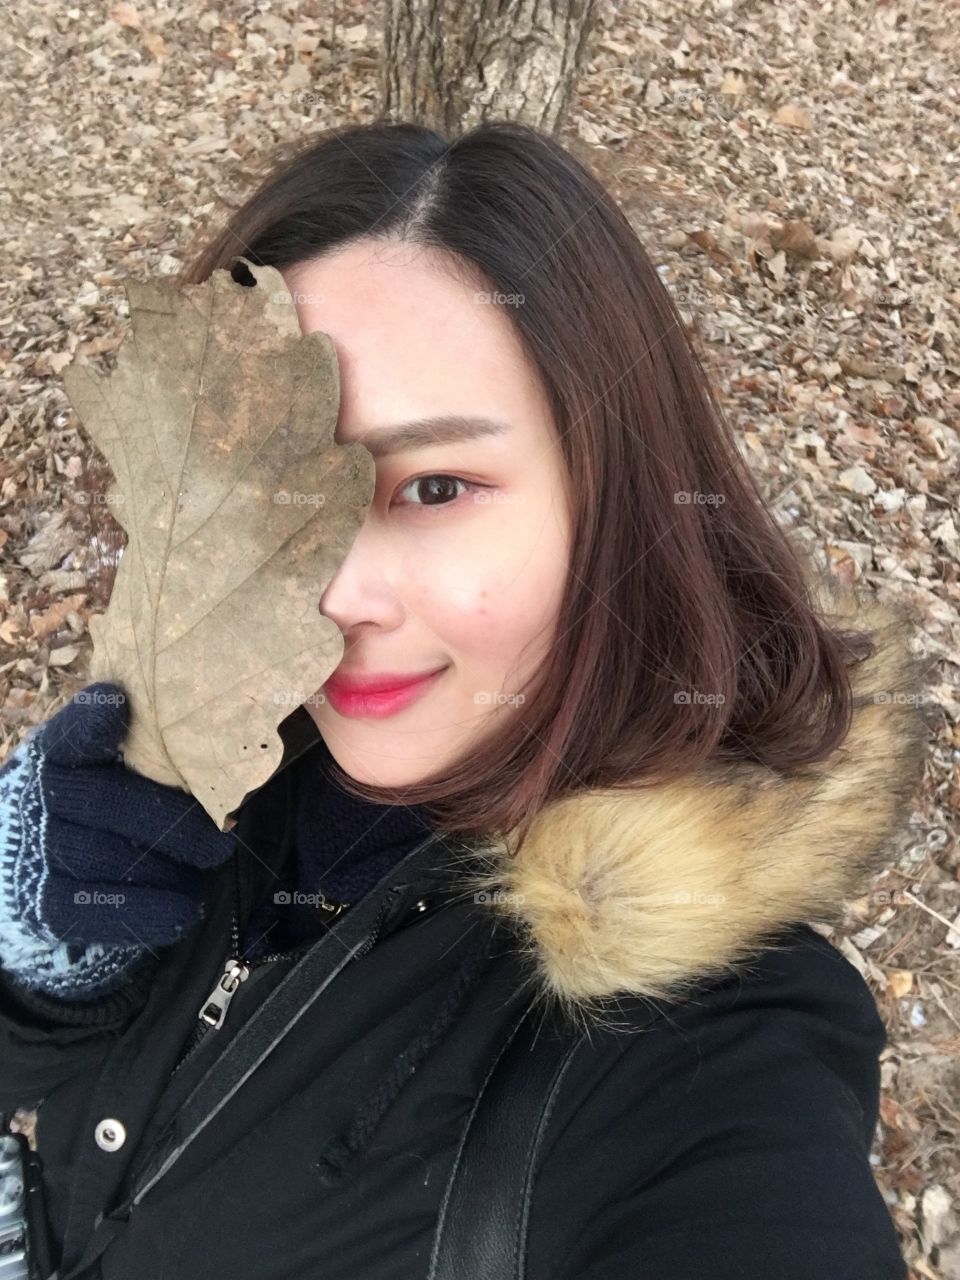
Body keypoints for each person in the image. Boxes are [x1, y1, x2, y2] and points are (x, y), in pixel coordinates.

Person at [0, 119, 927, 1280]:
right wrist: (35, 964)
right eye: (277, 490)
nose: (333, 596)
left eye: (434, 485)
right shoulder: (197, 762)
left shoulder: (708, 1057)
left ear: (610, 499)